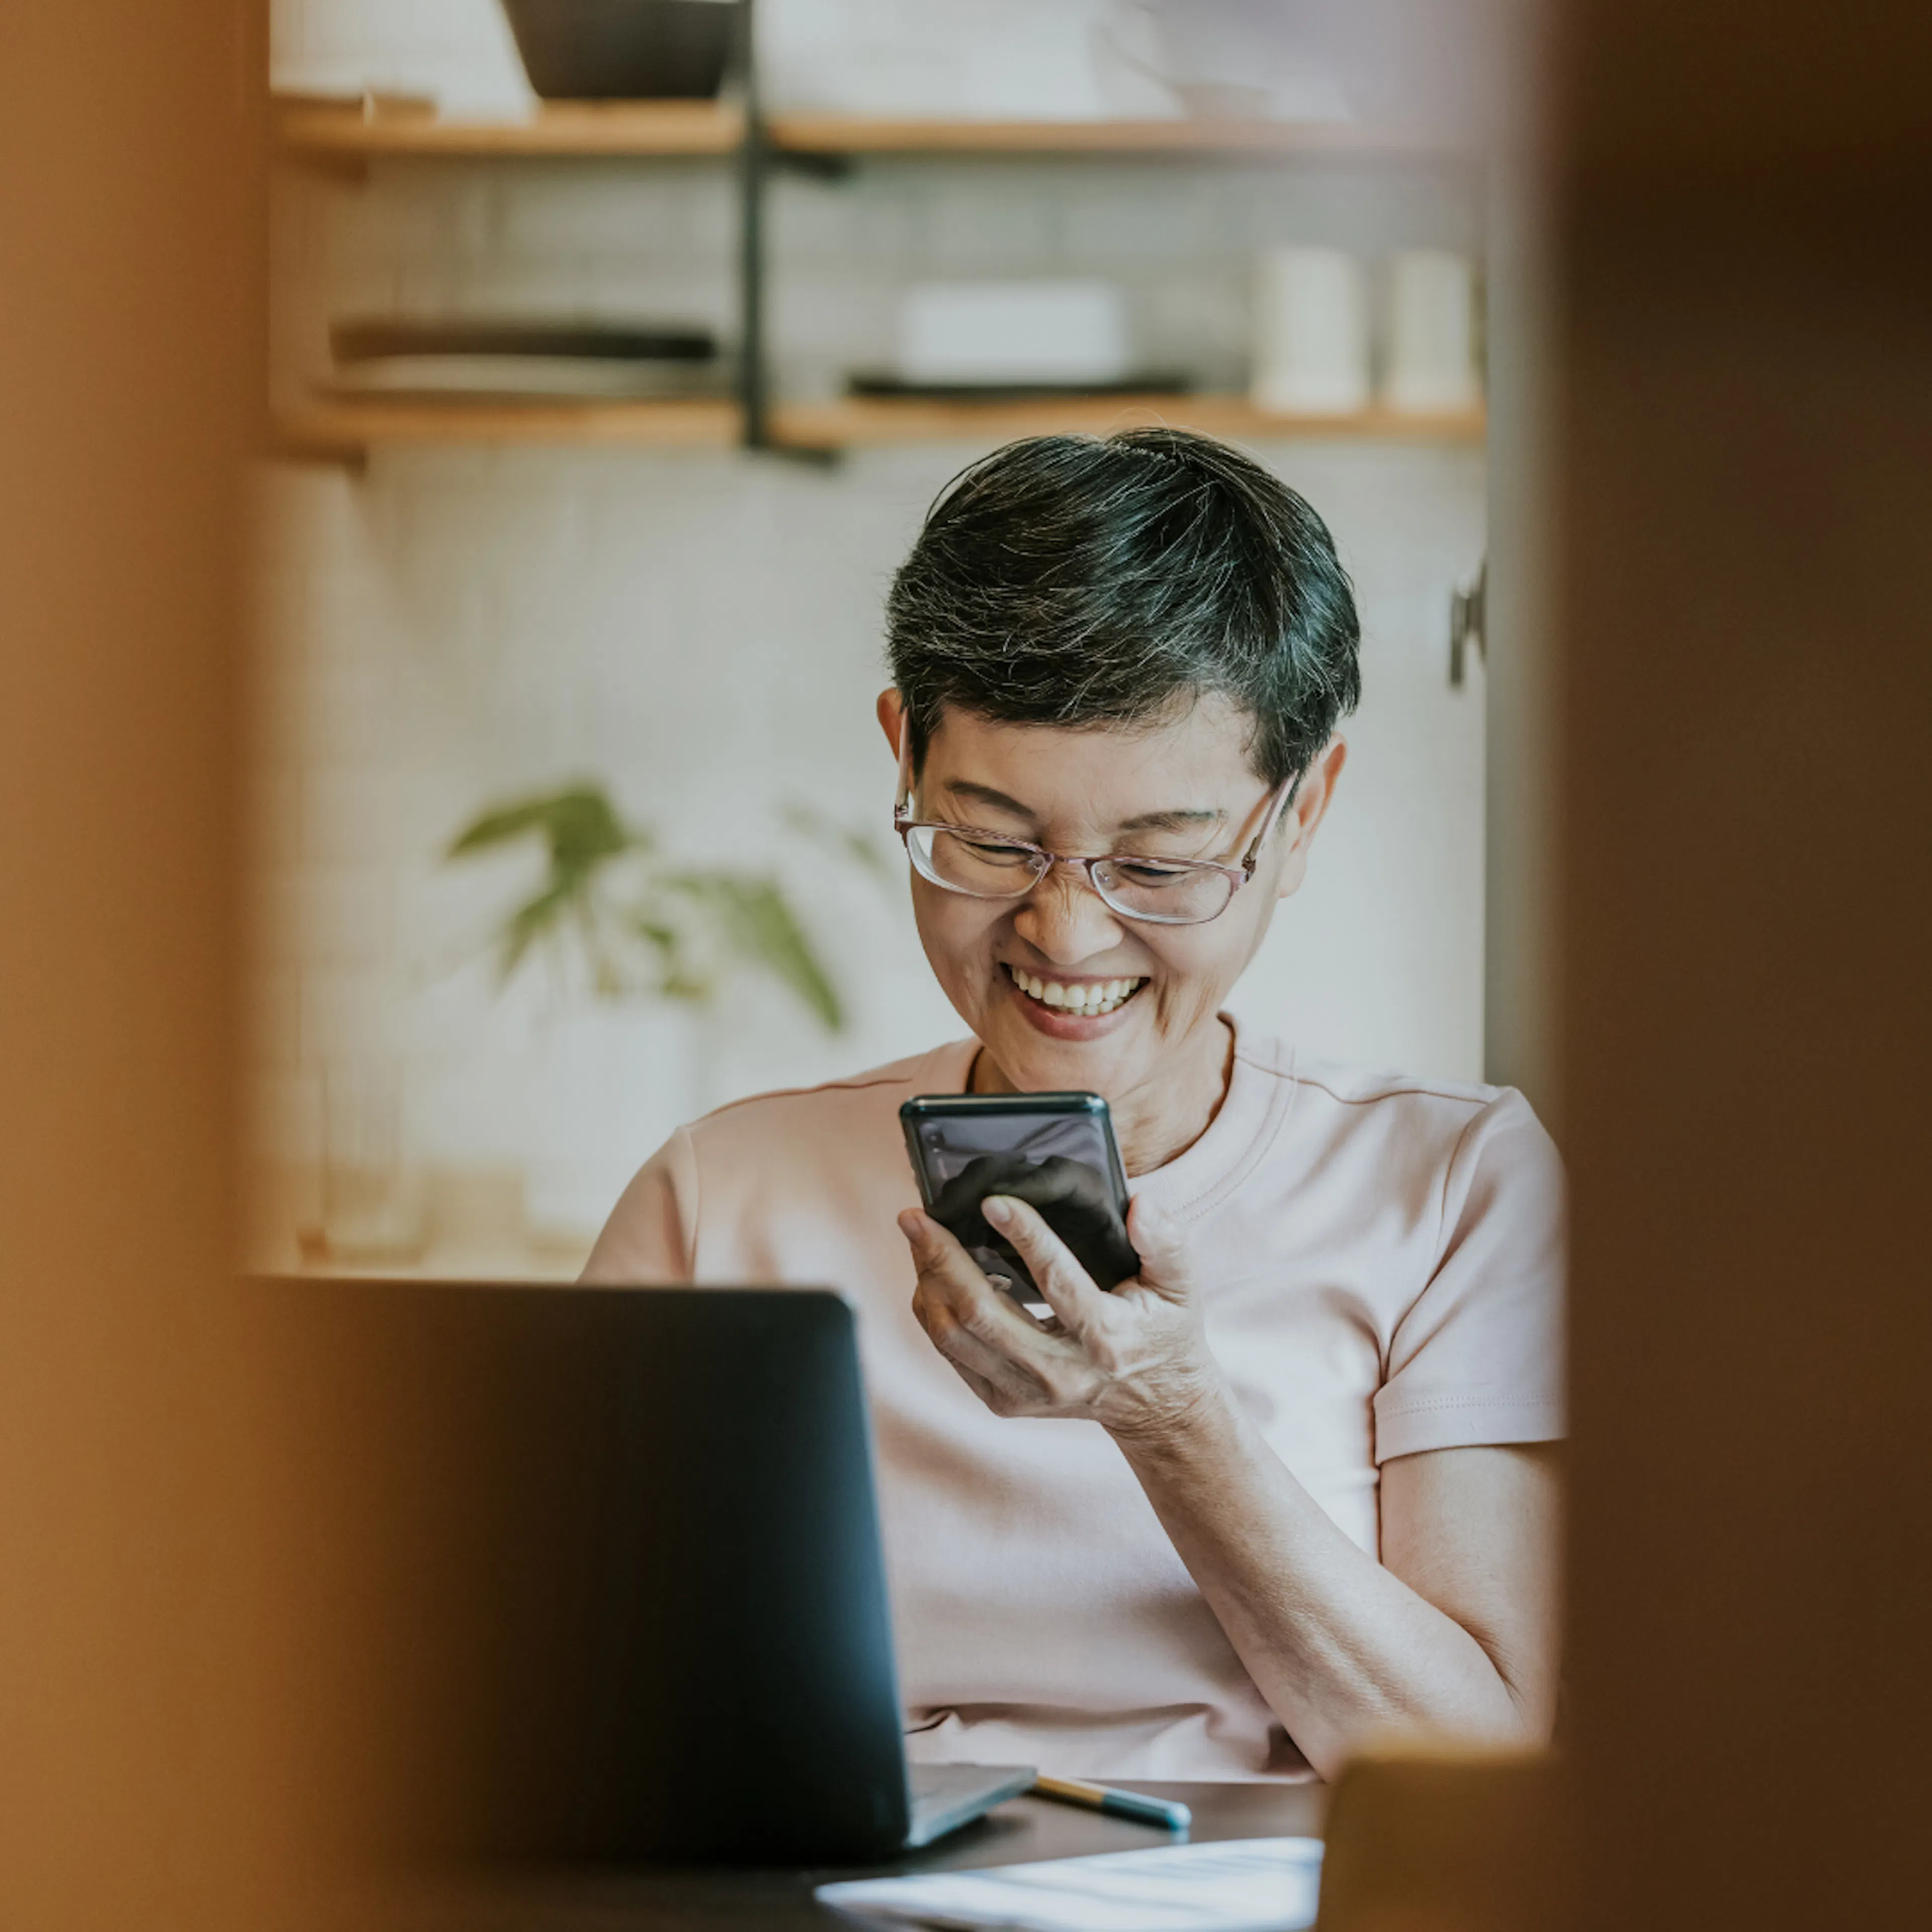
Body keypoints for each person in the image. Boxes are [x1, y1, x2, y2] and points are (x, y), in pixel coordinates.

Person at [584, 429, 1563, 1783]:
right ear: (903, 757)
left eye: (1159, 861)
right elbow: (566, 1698)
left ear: (1302, 814)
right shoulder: (719, 1196)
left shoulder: (1452, 1188)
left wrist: (1173, 1418)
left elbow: (1487, 1778)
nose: (1065, 932)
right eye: (988, 839)